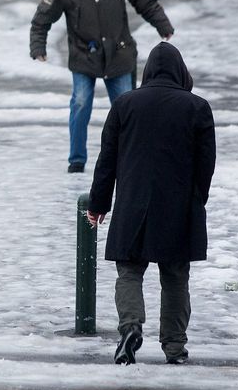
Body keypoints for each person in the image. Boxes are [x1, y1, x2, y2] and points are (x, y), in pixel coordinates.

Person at [86, 42, 216, 365]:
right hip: (178, 206)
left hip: (133, 204)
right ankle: (174, 347)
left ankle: (130, 327)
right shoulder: (197, 108)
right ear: (181, 72)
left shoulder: (124, 105)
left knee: (129, 272)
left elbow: (107, 160)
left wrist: (98, 203)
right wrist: (197, 198)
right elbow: (206, 163)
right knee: (174, 277)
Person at [29, 0, 175, 173]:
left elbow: (144, 0)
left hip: (119, 54)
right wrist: (38, 46)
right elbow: (44, 15)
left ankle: (129, 157)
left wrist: (163, 24)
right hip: (83, 54)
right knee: (81, 102)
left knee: (127, 107)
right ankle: (77, 159)